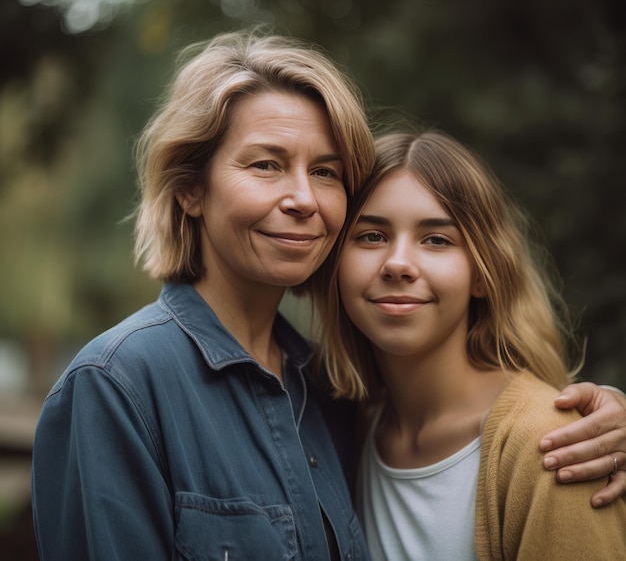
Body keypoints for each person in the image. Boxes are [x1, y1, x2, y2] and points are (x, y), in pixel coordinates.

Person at [31, 29, 625, 560]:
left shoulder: (334, 397)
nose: (303, 199)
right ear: (191, 189)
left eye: (325, 171)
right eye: (265, 165)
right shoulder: (119, 386)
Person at [313, 130, 626, 559]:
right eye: (371, 236)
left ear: (482, 274)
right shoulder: (345, 424)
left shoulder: (554, 445)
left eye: (436, 239)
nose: (398, 263)